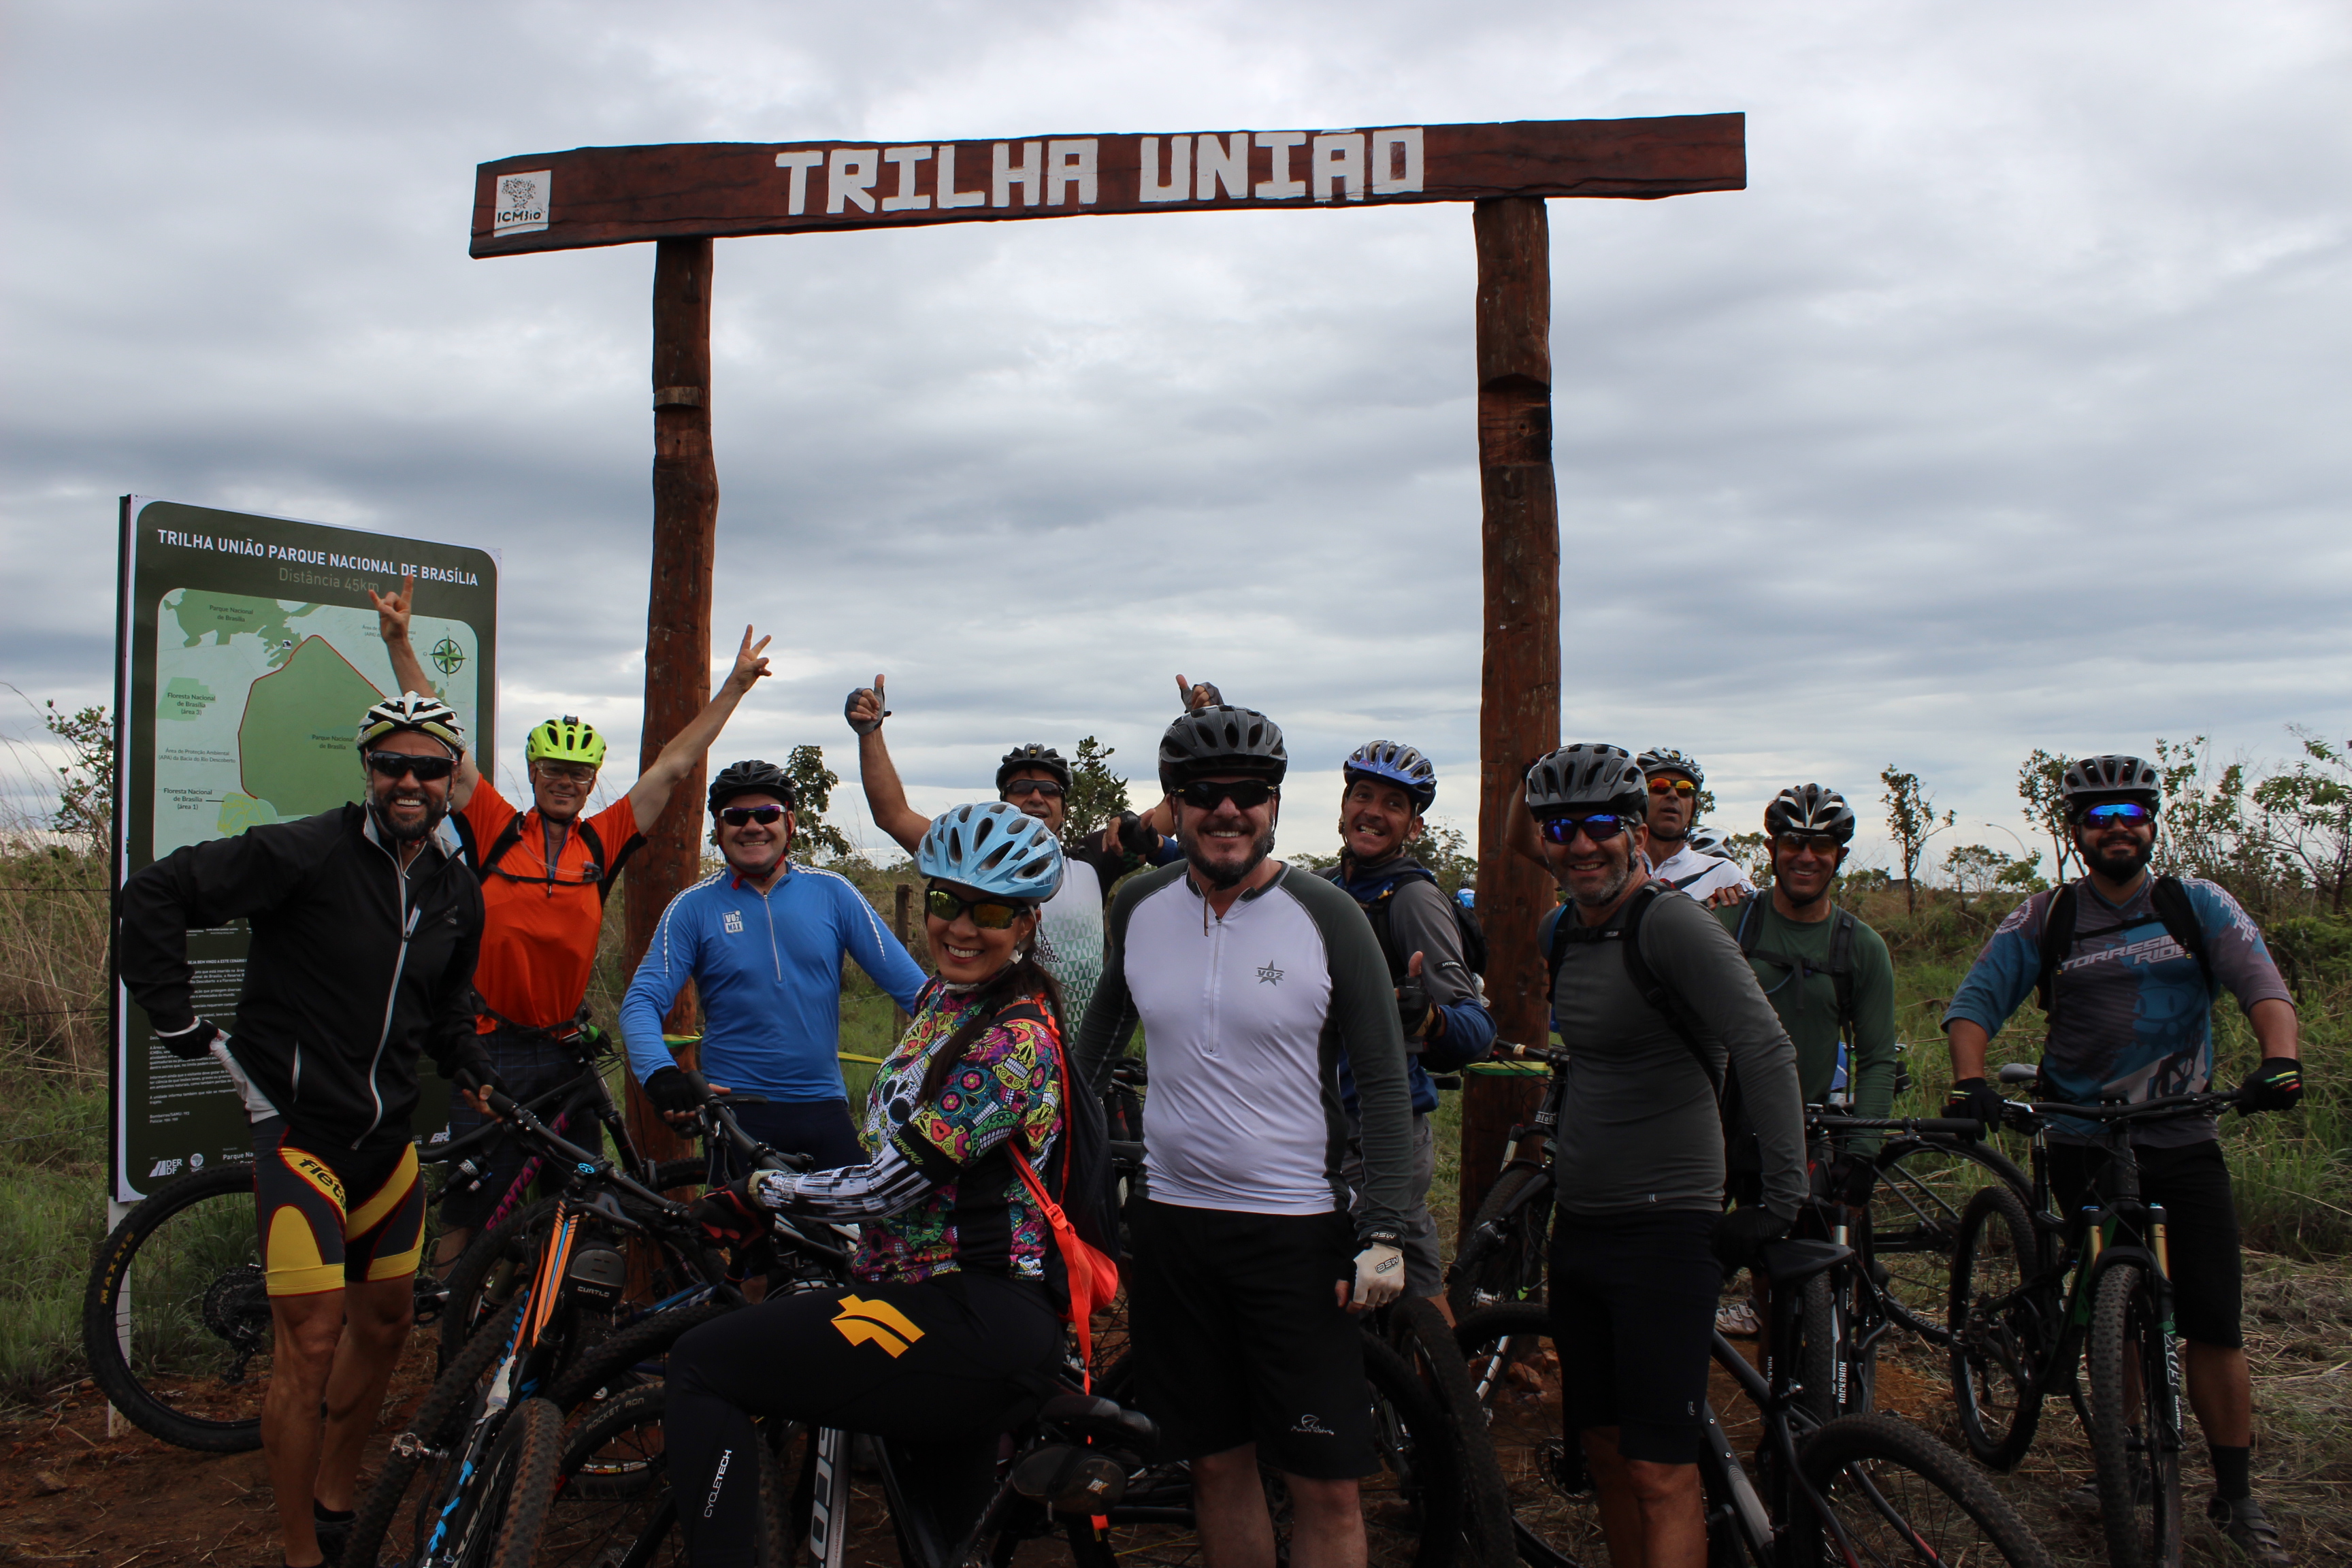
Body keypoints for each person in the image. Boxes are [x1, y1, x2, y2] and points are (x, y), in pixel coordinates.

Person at [117, 693, 497, 1568]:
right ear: (366, 770)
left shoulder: (453, 889)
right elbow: (157, 893)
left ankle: (334, 1495)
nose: (408, 781)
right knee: (312, 1342)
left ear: (451, 780)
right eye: (390, 764)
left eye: (428, 767)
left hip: (389, 1144)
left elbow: (446, 1012)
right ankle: (300, 1553)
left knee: (390, 1323)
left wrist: (469, 1065)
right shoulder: (305, 850)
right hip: (300, 1135)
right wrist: (176, 1020)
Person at [662, 802, 1075, 1564]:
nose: (961, 926)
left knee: (704, 1366)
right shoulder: (939, 1006)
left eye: (990, 911)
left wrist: (763, 1195)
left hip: (970, 1312)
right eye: (948, 902)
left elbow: (892, 1186)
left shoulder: (1013, 1042)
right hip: (937, 1301)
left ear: (1025, 927)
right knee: (942, 1544)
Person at [1942, 754, 2304, 1565]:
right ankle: (2127, 1453)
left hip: (2183, 1136)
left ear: (2152, 823)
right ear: (2075, 833)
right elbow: (1974, 1006)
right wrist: (1970, 1080)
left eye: (2131, 814)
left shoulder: (2195, 905)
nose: (2117, 829)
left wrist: (2279, 1059)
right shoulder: (2046, 917)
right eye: (2099, 817)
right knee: (2113, 1298)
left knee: (2213, 1319)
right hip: (2082, 1138)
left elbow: (2261, 984)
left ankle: (2237, 1494)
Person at [1076, 704, 1416, 1568]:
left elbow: (1380, 1081)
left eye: (1248, 794)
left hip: (1296, 1232)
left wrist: (1385, 1227)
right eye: (1204, 794)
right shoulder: (1141, 905)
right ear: (1175, 803)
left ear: (1274, 803)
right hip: (1174, 1226)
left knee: (1327, 1483)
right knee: (1215, 1465)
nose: (1227, 811)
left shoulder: (1328, 916)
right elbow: (1096, 1049)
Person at [374, 574, 776, 1264]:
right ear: (534, 771)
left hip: (564, 1050)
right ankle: (449, 1329)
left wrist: (734, 687)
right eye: (554, 768)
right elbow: (440, 734)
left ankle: (553, 1337)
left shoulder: (602, 841)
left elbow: (675, 765)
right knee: (471, 1206)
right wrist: (400, 642)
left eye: (580, 773)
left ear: (593, 782)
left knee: (578, 1197)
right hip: (489, 1044)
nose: (567, 780)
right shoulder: (497, 829)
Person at [1520, 742, 1806, 1568]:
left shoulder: (1673, 925)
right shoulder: (1560, 932)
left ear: (1637, 829)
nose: (1582, 846)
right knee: (1604, 1450)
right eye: (1561, 828)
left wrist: (1779, 1200)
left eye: (1602, 825)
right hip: (1582, 1229)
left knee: (1659, 1467)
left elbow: (1766, 1049)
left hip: (1666, 1231)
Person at [623, 758, 928, 1174]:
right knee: (746, 1236)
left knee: (857, 1235)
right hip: (736, 1113)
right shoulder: (693, 908)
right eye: (736, 817)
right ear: (718, 829)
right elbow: (641, 1002)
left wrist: (979, 1042)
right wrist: (661, 1076)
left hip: (824, 1106)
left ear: (789, 822)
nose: (752, 826)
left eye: (766, 814)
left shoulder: (833, 893)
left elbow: (918, 993)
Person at [843, 672, 1195, 1023]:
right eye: (1022, 787)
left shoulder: (1094, 858)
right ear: (1003, 803)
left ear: (1064, 807)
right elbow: (893, 815)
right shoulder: (968, 860)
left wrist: (1201, 727)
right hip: (992, 1047)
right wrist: (870, 733)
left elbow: (1164, 815)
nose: (1036, 796)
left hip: (1081, 1062)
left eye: (1050, 789)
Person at [1710, 784, 1897, 1335]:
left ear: (1840, 854)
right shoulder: (1730, 925)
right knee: (1685, 1267)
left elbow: (1878, 1056)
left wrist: (1861, 1155)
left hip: (1805, 1131)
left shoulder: (1860, 948)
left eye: (1822, 845)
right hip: (1720, 1125)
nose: (1806, 857)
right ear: (1772, 848)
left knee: (1794, 1292)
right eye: (1793, 842)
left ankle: (1787, 1406)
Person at [1321, 740, 1495, 1307]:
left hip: (1381, 1133)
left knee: (1400, 1291)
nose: (1373, 810)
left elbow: (1474, 1030)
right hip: (1324, 1122)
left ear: (1414, 826)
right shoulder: (1329, 888)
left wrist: (1427, 1016)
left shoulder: (1412, 899)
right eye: (1363, 795)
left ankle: (1437, 1391)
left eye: (1393, 804)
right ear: (1344, 806)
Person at [1636, 747, 1752, 904]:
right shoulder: (1618, 866)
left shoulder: (1723, 873)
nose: (1673, 795)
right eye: (1659, 786)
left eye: (1685, 789)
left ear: (1694, 807)